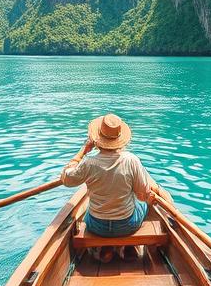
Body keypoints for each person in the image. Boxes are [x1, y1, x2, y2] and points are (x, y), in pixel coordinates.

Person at [61, 113, 157, 263]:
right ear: (120, 140)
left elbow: (66, 179)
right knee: (143, 204)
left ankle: (107, 248)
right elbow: (142, 195)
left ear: (96, 140)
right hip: (127, 225)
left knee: (90, 208)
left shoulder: (89, 163)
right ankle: (128, 246)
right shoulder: (131, 160)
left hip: (96, 226)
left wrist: (83, 150)